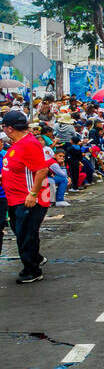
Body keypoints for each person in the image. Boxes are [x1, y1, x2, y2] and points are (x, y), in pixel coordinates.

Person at [2, 110, 52, 283]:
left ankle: (32, 270)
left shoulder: (28, 144)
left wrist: (32, 194)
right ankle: (35, 257)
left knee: (25, 234)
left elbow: (42, 169)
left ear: (9, 128)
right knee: (20, 231)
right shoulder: (18, 143)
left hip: (27, 199)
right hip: (15, 198)